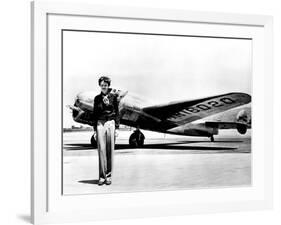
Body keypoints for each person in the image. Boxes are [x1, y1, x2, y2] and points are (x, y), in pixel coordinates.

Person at [92, 76, 120, 185]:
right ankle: (102, 177)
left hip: (110, 123)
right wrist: (95, 129)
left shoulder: (113, 97)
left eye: (106, 85)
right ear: (100, 85)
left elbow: (117, 113)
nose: (104, 87)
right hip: (100, 123)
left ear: (108, 85)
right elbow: (94, 114)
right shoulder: (97, 98)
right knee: (101, 151)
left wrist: (117, 127)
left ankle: (108, 176)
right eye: (102, 85)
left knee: (110, 151)